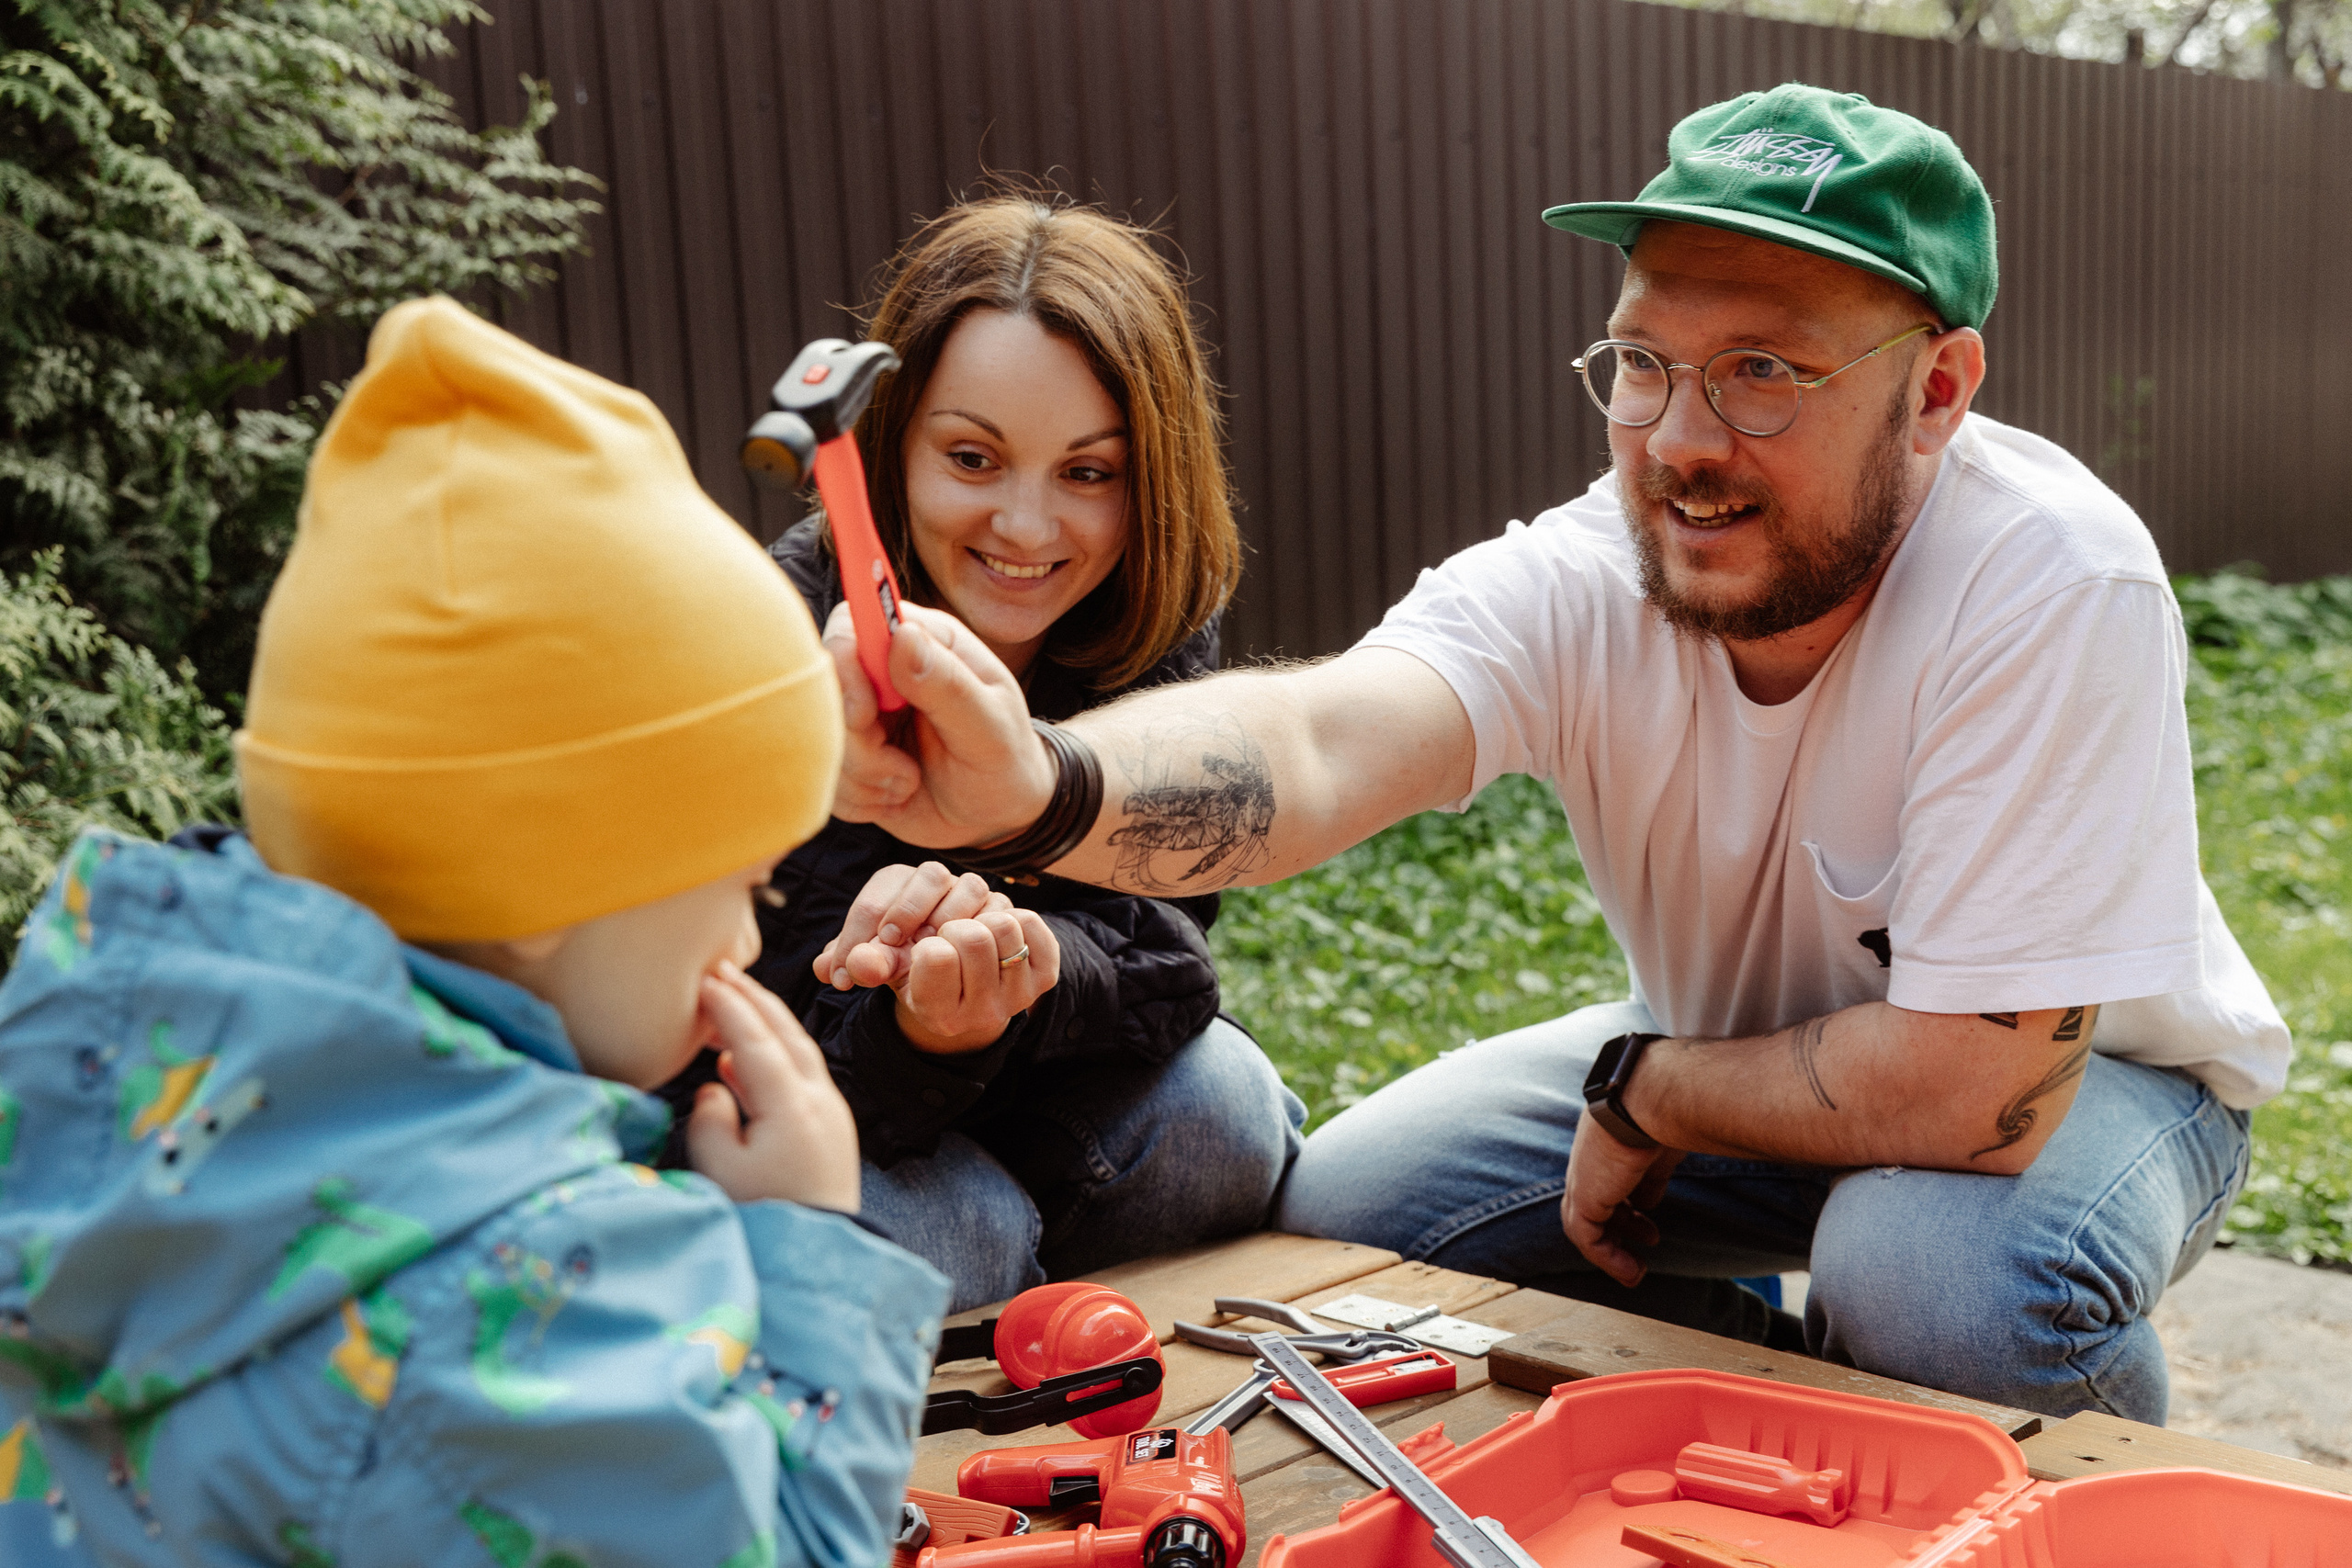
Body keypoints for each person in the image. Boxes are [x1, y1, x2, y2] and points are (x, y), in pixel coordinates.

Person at [813, 86, 2290, 1421]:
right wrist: (1039, 786)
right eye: (1646, 361)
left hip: (2092, 1089)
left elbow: (1972, 1092)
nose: (1682, 440)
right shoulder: (1598, 567)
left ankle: (2099, 1494)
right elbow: (1322, 737)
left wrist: (1652, 1093)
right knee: (1347, 1209)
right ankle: (1747, 1373)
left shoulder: (2052, 582)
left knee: (1924, 1268)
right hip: (1725, 1062)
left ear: (1941, 389)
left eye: (1764, 370)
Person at [0, 299, 946, 1565]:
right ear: (555, 881)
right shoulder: (531, 1291)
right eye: (747, 885)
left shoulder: (78, 1061)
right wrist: (810, 1252)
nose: (745, 938)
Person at [685, 195, 1304, 1313]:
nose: (1026, 529)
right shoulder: (774, 643)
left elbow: (1169, 954)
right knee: (956, 1233)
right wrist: (920, 1026)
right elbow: (739, 1065)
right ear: (889, 445)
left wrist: (1021, 962)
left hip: (1022, 1087)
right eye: (974, 458)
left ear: (1148, 478)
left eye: (1087, 473)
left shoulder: (1151, 621)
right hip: (817, 1116)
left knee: (1224, 1114)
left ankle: (1032, 1279)